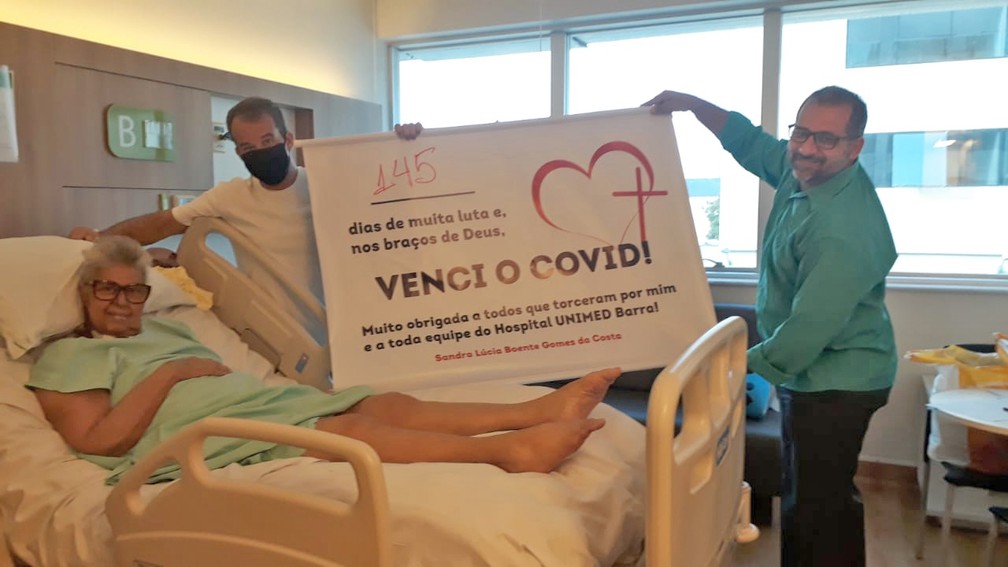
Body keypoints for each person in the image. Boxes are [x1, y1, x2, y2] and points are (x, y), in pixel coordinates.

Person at [27, 236, 618, 484]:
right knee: (350, 432)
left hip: (260, 404)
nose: (122, 301)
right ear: (84, 292)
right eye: (107, 289)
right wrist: (172, 372)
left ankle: (532, 411)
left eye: (134, 290)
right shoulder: (70, 354)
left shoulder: (163, 326)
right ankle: (505, 451)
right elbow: (99, 441)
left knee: (386, 404)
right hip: (208, 440)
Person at [643, 86, 896, 567]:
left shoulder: (840, 228)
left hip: (838, 382)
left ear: (854, 147)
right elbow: (752, 143)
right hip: (817, 374)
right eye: (801, 133)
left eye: (825, 139)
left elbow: (805, 333)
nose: (806, 148)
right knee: (815, 497)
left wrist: (728, 366)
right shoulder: (804, 172)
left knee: (818, 509)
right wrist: (694, 105)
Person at [69, 97, 423, 305]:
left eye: (268, 141)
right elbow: (162, 223)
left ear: (288, 140)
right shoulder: (231, 196)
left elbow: (400, 209)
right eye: (248, 147)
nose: (260, 152)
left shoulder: (326, 186)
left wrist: (408, 145)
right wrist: (98, 238)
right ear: (238, 152)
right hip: (277, 331)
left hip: (348, 320)